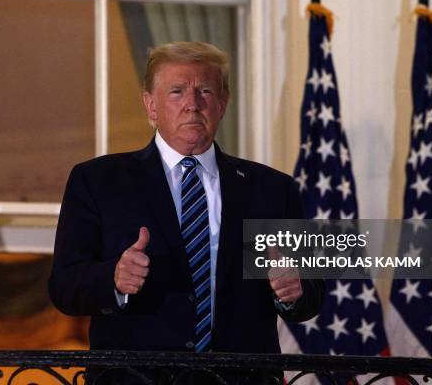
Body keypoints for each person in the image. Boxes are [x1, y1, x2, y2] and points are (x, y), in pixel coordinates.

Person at [48, 41, 325, 383]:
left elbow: (312, 292)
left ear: (222, 104)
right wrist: (113, 279)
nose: (192, 105)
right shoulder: (98, 182)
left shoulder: (272, 189)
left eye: (205, 91)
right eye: (177, 92)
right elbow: (64, 286)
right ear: (151, 105)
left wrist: (293, 291)